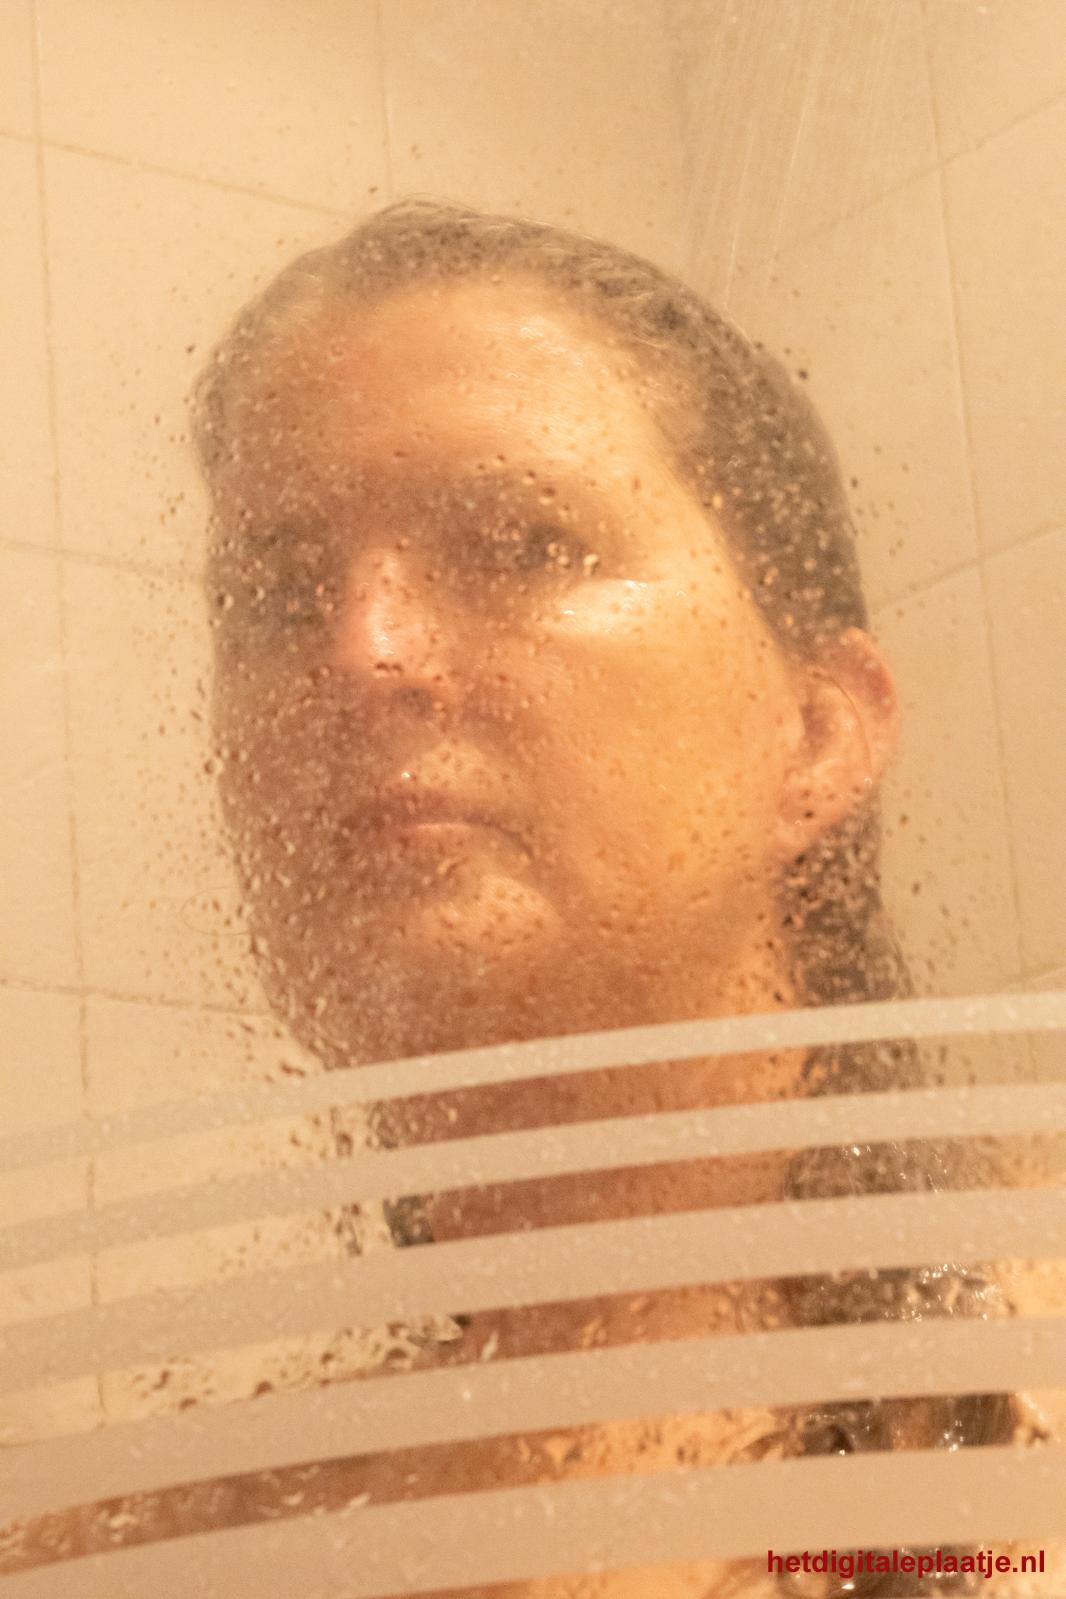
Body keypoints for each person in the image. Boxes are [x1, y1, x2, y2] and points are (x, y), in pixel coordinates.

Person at [6, 201, 1048, 1596]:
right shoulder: (156, 1553)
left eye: (518, 542)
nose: (364, 651)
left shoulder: (1021, 1360)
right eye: (280, 595)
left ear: (814, 732)